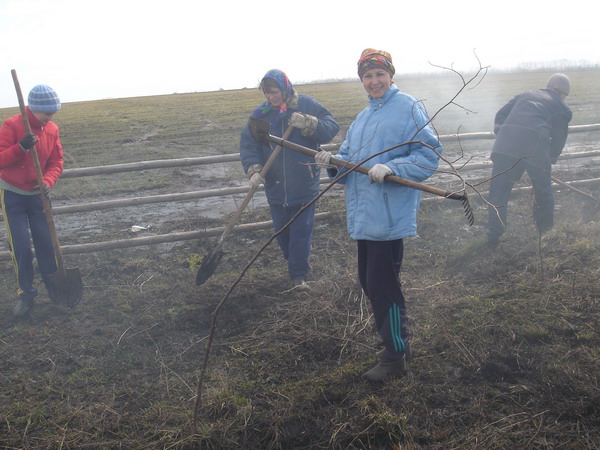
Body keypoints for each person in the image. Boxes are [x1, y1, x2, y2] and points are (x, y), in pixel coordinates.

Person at [315, 49, 442, 382]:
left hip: (387, 213)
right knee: (370, 283)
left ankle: (394, 356)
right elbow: (347, 160)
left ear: (391, 75)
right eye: (367, 76)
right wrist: (332, 164)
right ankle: (397, 341)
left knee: (382, 286)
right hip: (363, 215)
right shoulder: (362, 118)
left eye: (379, 75)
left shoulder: (408, 107)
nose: (374, 82)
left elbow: (429, 154)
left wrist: (394, 167)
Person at [240, 69, 340, 290]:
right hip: (275, 183)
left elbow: (331, 127)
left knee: (300, 231)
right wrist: (254, 170)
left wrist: (308, 122)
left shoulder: (305, 104)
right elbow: (249, 145)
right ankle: (294, 262)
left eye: (275, 92)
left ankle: (298, 275)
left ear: (285, 88)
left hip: (303, 180)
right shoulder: (260, 115)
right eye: (267, 93)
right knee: (282, 232)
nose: (272, 97)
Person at [486, 73, 573, 247]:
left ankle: (493, 236)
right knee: (543, 192)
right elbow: (558, 138)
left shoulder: (525, 95)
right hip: (535, 149)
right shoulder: (562, 108)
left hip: (505, 147)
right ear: (563, 92)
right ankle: (546, 235)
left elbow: (501, 114)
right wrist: (552, 158)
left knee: (499, 192)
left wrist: (503, 134)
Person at [0, 84, 64, 318]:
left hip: (38, 197)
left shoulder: (52, 129)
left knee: (46, 245)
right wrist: (20, 147)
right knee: (22, 248)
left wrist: (47, 181)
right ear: (34, 109)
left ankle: (55, 292)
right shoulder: (12, 125)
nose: (51, 117)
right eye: (47, 113)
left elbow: (57, 162)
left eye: (53, 113)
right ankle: (26, 295)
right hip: (13, 195)